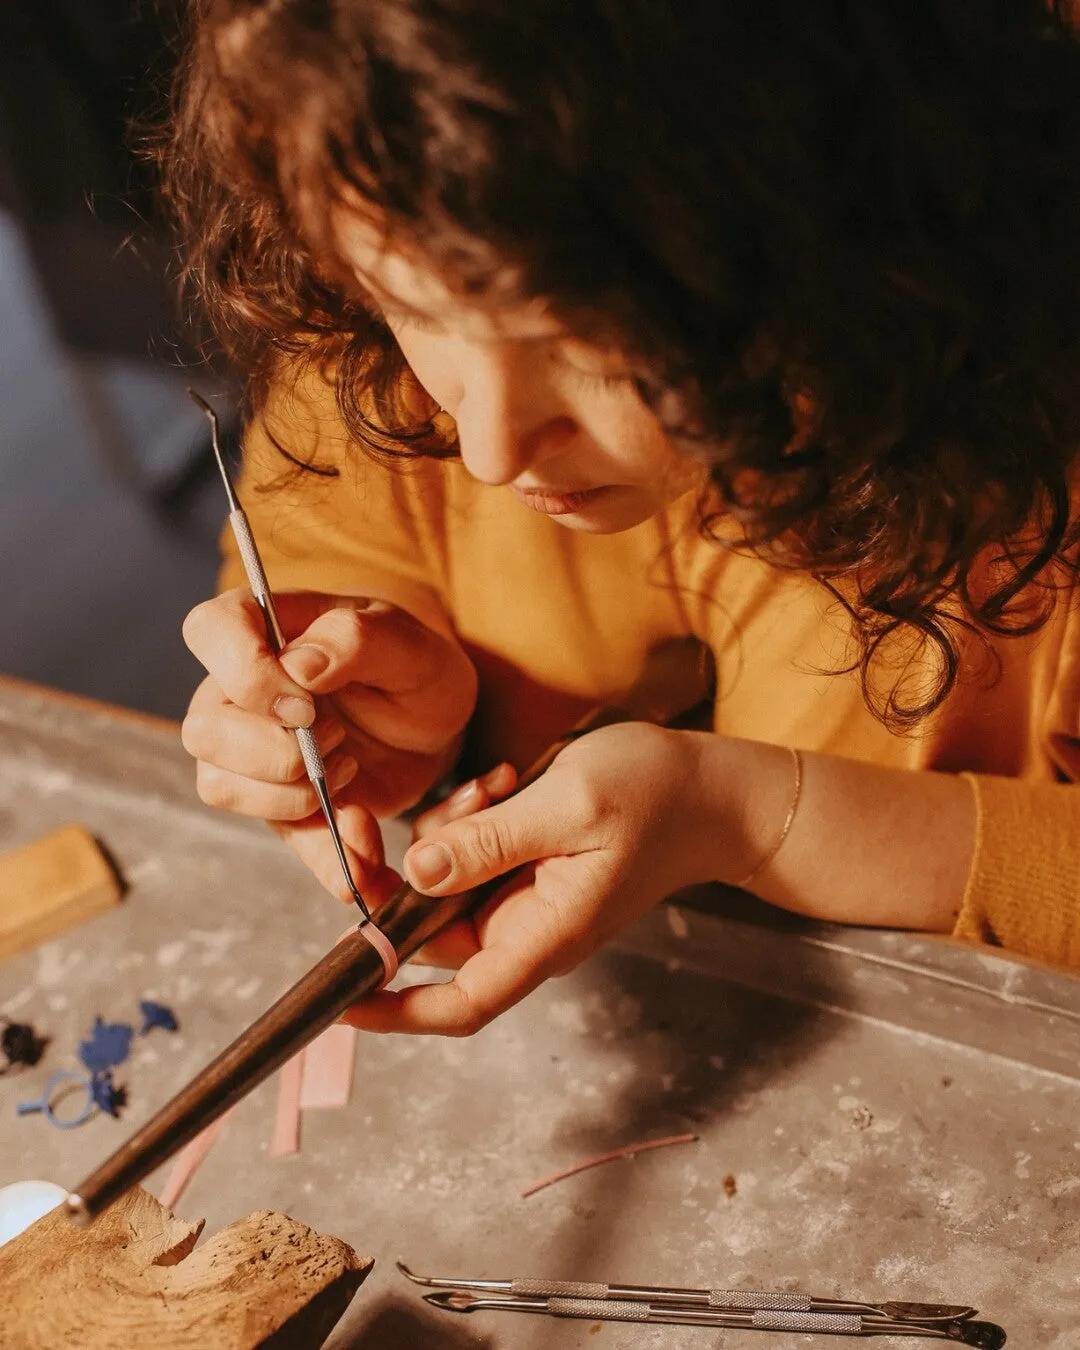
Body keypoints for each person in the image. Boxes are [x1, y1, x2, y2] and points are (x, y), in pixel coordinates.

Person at [169, 0, 1080, 1036]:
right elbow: (323, 539)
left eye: (593, 341)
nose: (491, 449)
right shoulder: (375, 143)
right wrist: (378, 717)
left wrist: (755, 820)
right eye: (415, 309)